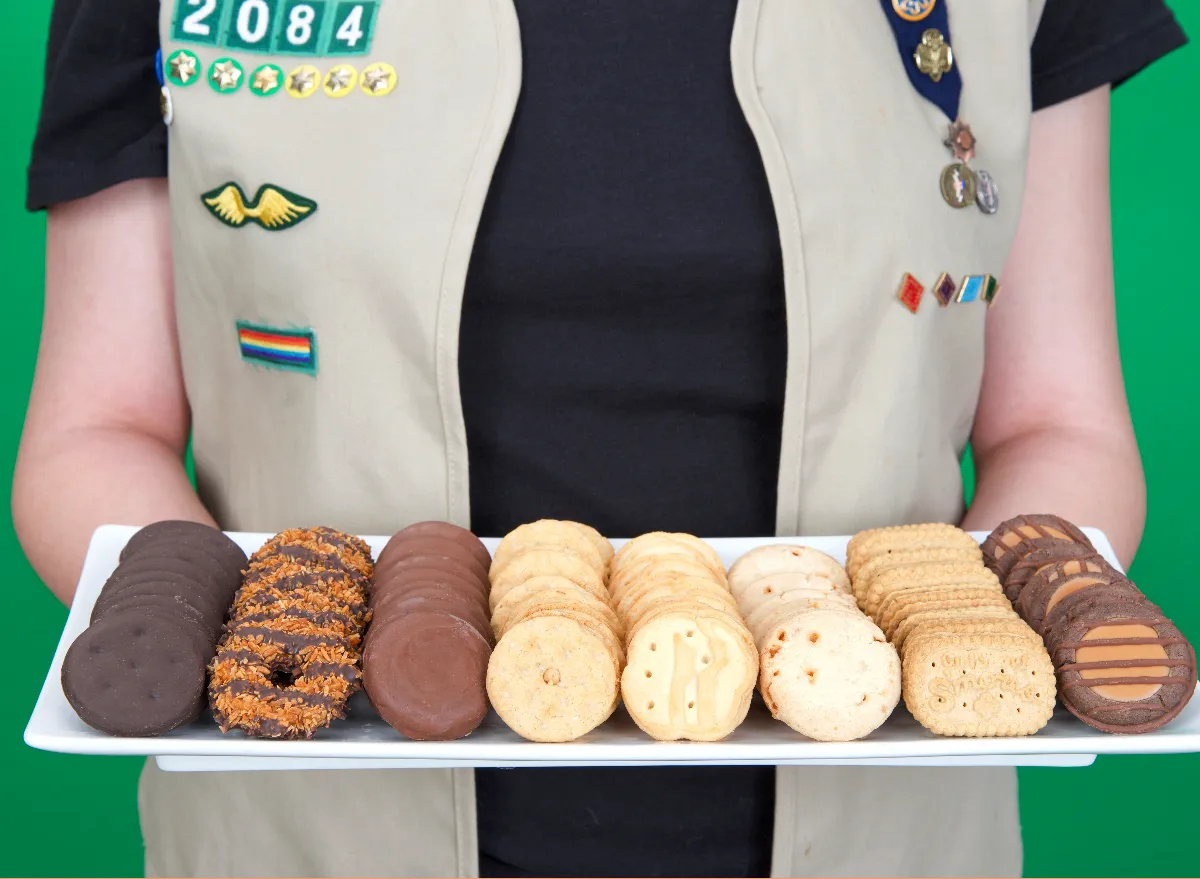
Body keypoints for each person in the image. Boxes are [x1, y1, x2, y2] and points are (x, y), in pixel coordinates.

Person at [16, 0, 1186, 876]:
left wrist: (961, 654)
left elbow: (1058, 425)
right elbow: (95, 429)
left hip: (895, 837)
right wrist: (212, 646)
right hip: (300, 837)